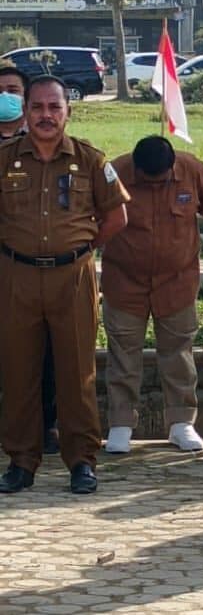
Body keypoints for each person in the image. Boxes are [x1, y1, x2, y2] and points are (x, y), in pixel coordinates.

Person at [0, 74, 129, 494]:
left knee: (77, 372)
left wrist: (83, 248)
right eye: (37, 107)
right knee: (19, 371)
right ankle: (21, 461)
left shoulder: (90, 159)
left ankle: (82, 461)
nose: (46, 115)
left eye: (54, 107)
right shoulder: (4, 159)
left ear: (68, 112)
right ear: (25, 111)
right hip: (16, 277)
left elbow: (117, 216)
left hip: (72, 276)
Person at [102, 135, 203, 454]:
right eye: (146, 180)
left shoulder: (192, 170)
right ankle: (121, 424)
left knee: (178, 352)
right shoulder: (114, 172)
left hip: (177, 283)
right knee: (123, 353)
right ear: (136, 167)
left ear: (172, 166)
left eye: (161, 179)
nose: (153, 185)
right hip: (124, 282)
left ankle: (181, 423)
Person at [0, 66, 59, 455]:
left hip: (33, 268)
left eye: (12, 90)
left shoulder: (47, 146)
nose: (4, 97)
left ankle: (46, 425)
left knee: (45, 351)